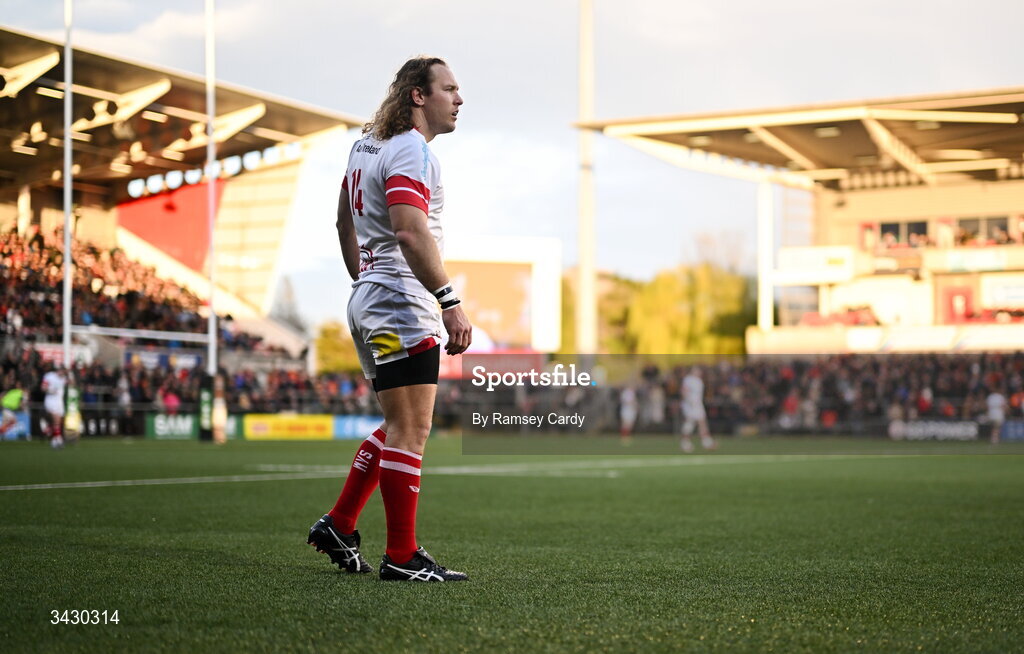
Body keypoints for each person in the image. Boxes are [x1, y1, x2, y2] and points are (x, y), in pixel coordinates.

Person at [307, 57, 471, 582]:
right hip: (401, 300)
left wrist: (364, 278)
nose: (459, 99)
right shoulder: (409, 149)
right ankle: (402, 557)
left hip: (373, 297)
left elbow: (341, 221)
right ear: (418, 97)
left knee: (398, 424)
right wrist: (449, 300)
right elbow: (409, 231)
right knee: (412, 429)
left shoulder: (366, 144)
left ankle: (340, 521)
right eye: (449, 88)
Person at [680, 366, 716, 453]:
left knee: (699, 422)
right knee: (693, 422)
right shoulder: (688, 379)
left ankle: (704, 441)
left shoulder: (699, 381)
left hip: (697, 404)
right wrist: (689, 401)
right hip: (691, 404)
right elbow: (684, 391)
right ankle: (687, 442)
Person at [41, 365, 67, 449]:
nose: (62, 373)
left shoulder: (63, 379)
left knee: (58, 422)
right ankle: (58, 439)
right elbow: (43, 387)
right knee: (56, 419)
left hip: (59, 402)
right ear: (58, 370)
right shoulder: (49, 376)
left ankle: (49, 432)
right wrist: (50, 390)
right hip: (50, 400)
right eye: (61, 370)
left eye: (63, 371)